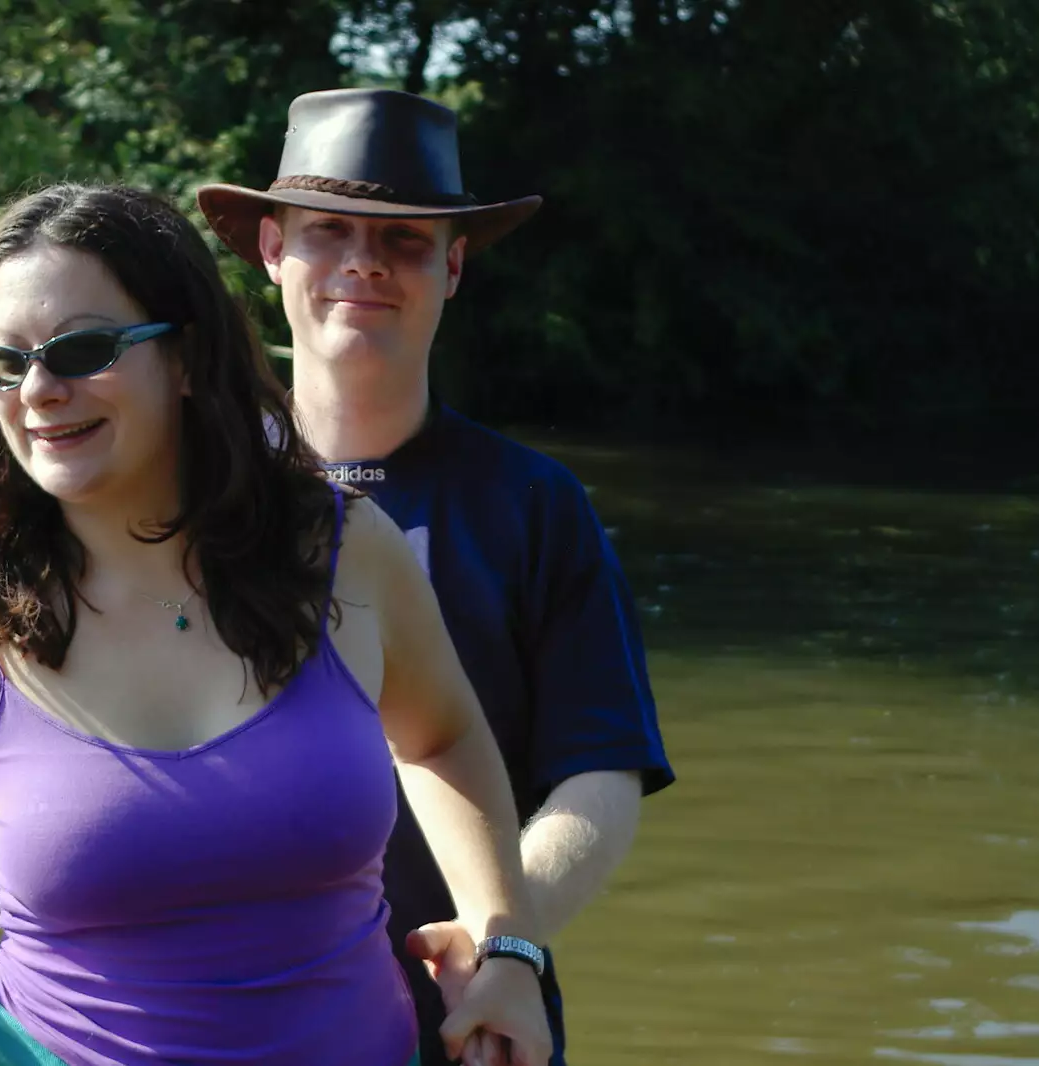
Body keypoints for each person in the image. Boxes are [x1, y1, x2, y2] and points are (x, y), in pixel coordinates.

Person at [0, 182, 557, 1066]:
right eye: (5, 361)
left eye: (84, 349)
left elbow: (442, 739)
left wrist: (507, 947)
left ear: (184, 358)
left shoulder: (343, 551)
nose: (39, 391)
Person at [197, 89, 675, 1066]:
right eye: (329, 231)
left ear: (454, 267)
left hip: (468, 1026)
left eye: (406, 241)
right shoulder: (182, 495)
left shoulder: (536, 507)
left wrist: (501, 938)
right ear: (272, 250)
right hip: (222, 1021)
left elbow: (601, 772)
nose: (364, 263)